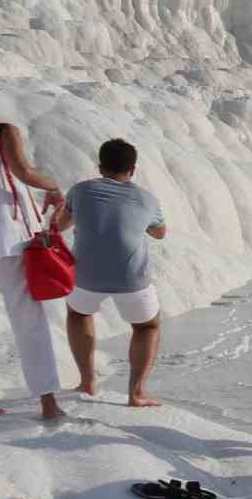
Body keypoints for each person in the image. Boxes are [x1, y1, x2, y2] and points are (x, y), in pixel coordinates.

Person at [51, 139, 166, 408]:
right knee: (147, 326)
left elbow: (61, 225)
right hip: (132, 280)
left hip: (86, 277)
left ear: (100, 167)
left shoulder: (80, 190)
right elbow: (159, 233)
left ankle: (88, 382)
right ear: (133, 170)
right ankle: (136, 393)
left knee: (79, 313)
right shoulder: (147, 198)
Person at [0, 113, 67, 419]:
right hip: (5, 236)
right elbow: (23, 171)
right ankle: (48, 402)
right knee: (28, 319)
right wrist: (54, 185)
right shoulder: (3, 131)